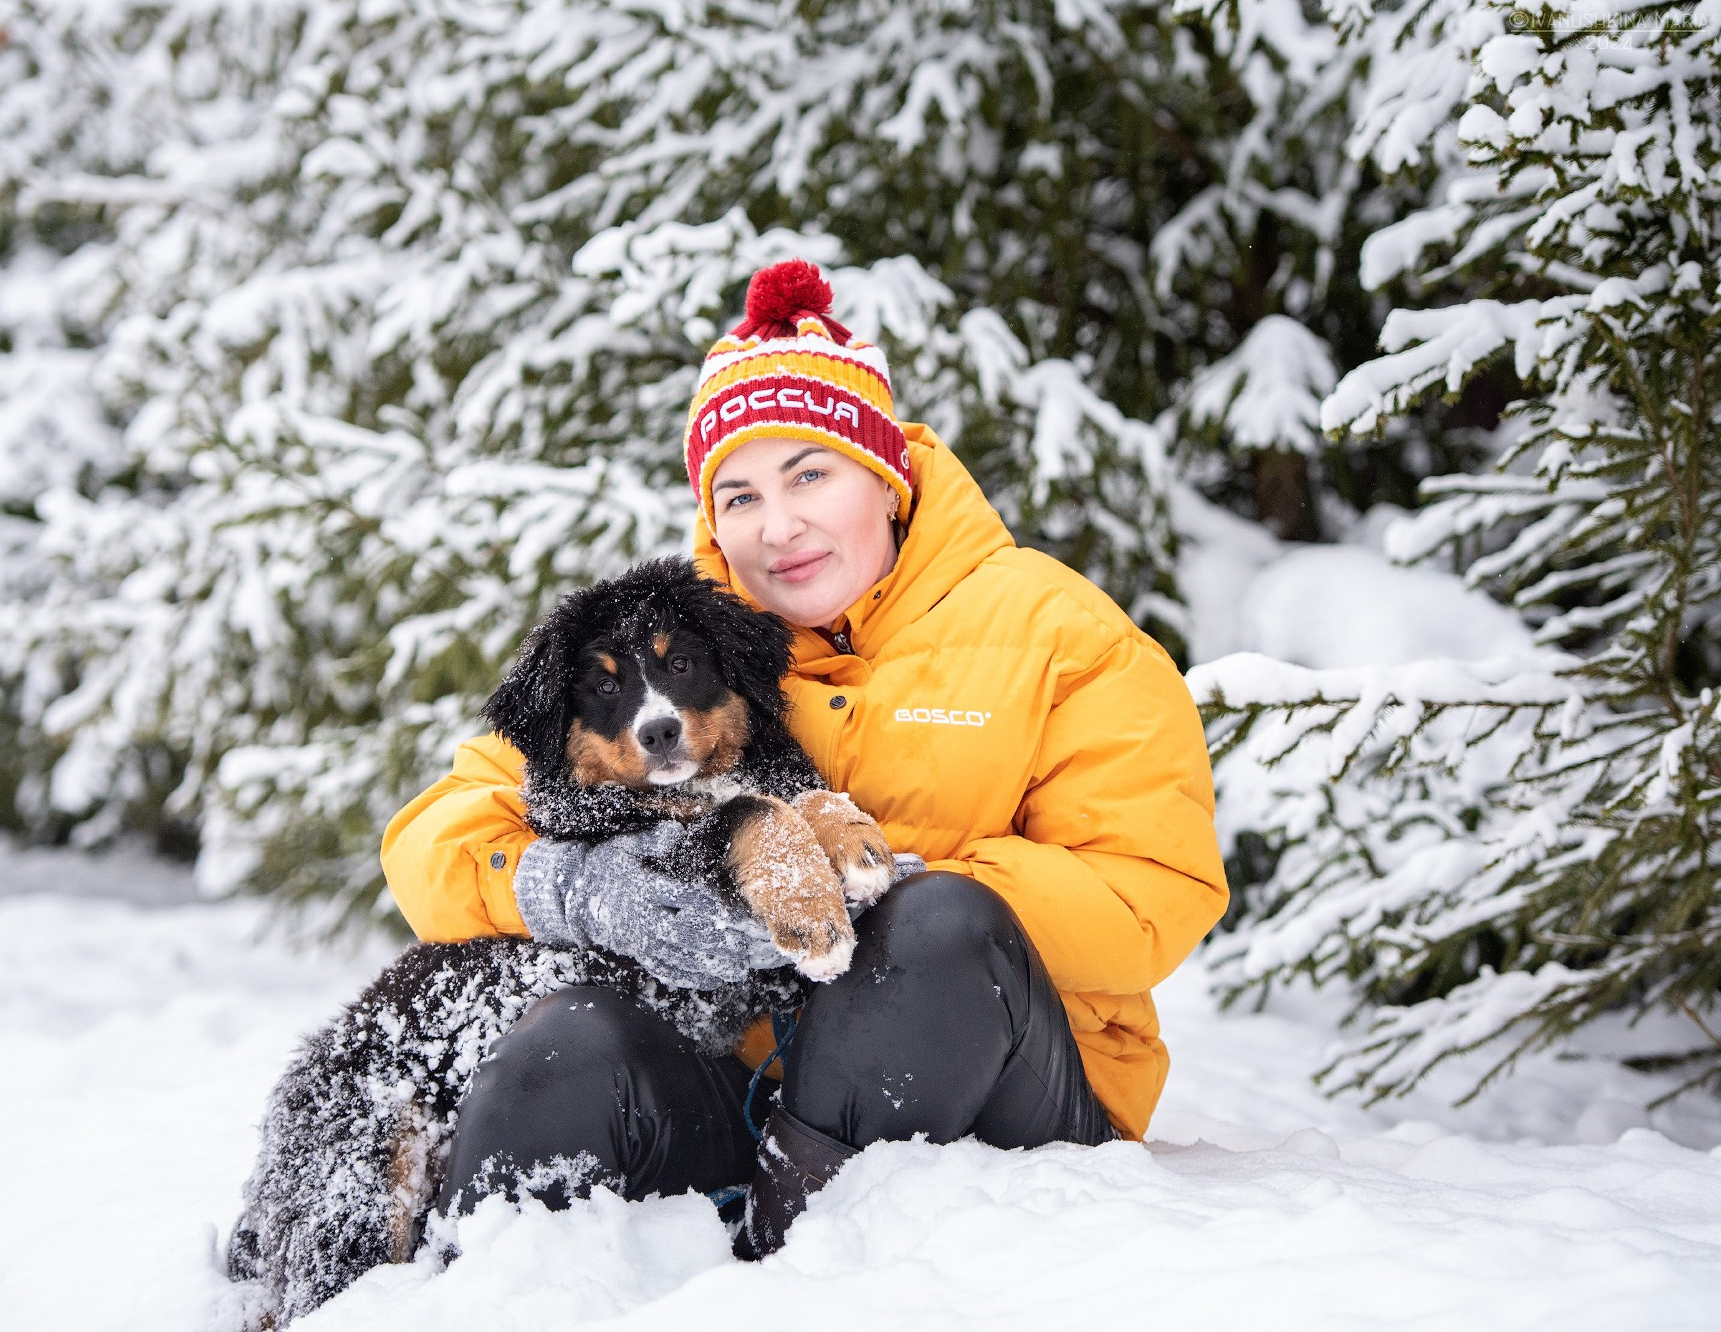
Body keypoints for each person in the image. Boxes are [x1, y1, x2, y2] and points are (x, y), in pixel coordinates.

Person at [379, 259, 1228, 1256]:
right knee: (572, 1042)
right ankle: (467, 1289)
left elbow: (1149, 898)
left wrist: (863, 874)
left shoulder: (1054, 628)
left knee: (935, 922)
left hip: (1006, 1106)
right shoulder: (685, 644)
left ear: (884, 473)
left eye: (808, 475)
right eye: (736, 496)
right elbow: (441, 828)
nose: (775, 528)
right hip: (751, 1088)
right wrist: (571, 887)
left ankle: (788, 1283)